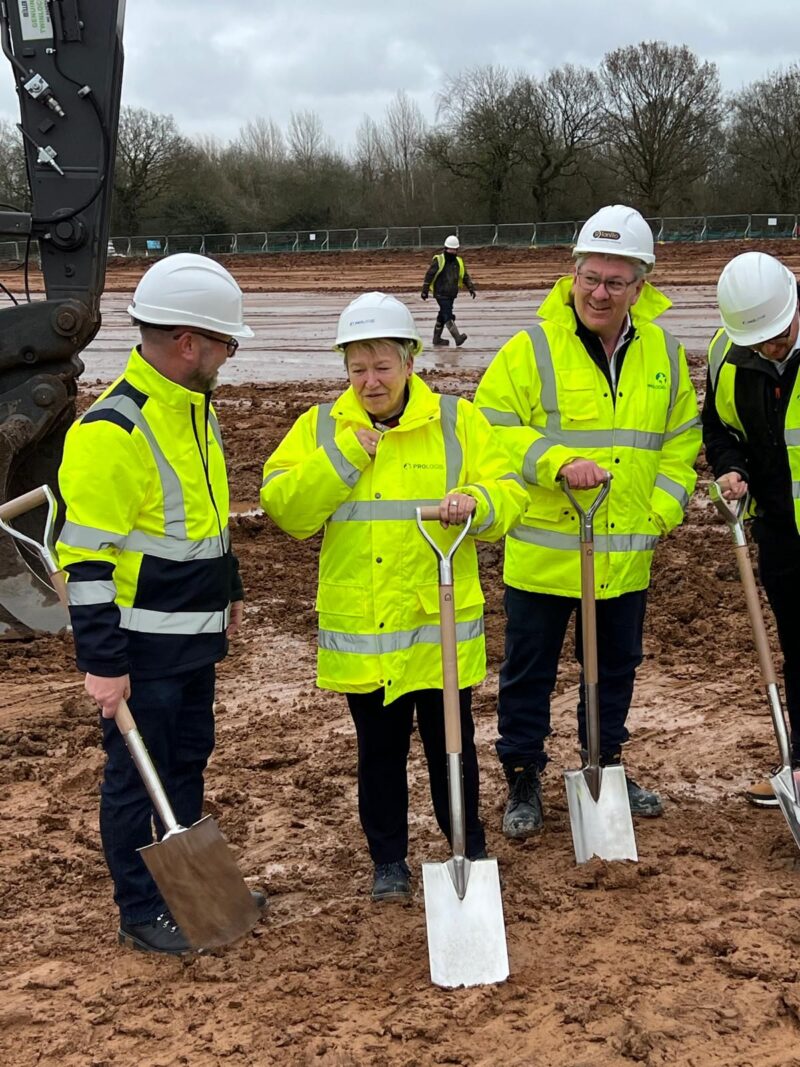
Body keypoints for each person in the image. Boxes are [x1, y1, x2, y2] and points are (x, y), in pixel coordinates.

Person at [260, 292, 526, 901]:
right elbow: (288, 510)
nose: (370, 381)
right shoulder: (321, 427)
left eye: (382, 366)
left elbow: (508, 494)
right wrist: (349, 452)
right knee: (378, 754)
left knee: (451, 750)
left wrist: (477, 504)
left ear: (410, 362)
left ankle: (467, 845)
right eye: (358, 369)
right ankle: (389, 863)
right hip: (366, 631)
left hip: (438, 631)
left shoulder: (457, 422)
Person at [56, 253, 263, 955]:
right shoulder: (112, 432)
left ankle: (192, 890)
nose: (228, 357)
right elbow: (85, 563)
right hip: (141, 650)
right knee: (132, 783)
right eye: (224, 344)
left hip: (193, 640)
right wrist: (104, 665)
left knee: (186, 762)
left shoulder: (193, 410)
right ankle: (141, 910)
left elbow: (203, 520)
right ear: (187, 343)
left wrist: (227, 588)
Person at [473, 204, 701, 838]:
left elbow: (681, 439)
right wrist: (555, 461)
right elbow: (490, 430)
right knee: (529, 672)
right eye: (590, 278)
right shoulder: (532, 349)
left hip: (625, 551)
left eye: (615, 281)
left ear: (641, 285)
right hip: (545, 554)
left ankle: (606, 760)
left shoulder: (662, 351)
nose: (599, 293)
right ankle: (523, 774)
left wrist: (661, 509)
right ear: (572, 273)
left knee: (614, 667)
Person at [703, 250, 800, 807]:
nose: (772, 348)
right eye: (760, 341)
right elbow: (718, 425)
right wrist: (731, 468)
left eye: (780, 335)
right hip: (781, 532)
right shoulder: (727, 352)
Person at [421, 234, 476, 348]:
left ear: (457, 250)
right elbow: (429, 274)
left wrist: (470, 287)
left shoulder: (458, 262)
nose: (452, 251)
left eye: (454, 249)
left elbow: (464, 276)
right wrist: (425, 290)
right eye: (450, 249)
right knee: (448, 315)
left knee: (442, 315)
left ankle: (437, 339)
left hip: (451, 294)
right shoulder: (439, 260)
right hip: (440, 293)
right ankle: (457, 338)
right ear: (445, 248)